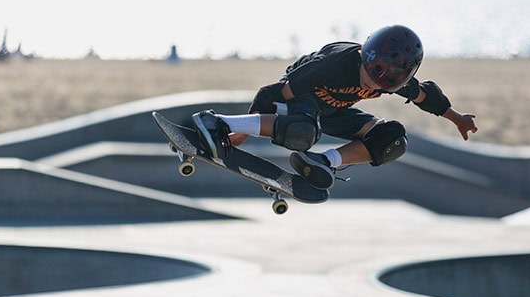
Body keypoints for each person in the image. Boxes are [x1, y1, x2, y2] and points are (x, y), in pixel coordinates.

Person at [192, 25, 478, 190]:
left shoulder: (391, 78)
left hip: (335, 112)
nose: (375, 84)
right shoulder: (330, 66)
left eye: (385, 82)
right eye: (371, 75)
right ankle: (218, 123)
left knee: (391, 140)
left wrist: (457, 118)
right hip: (300, 101)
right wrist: (241, 133)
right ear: (367, 57)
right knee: (303, 130)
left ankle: (323, 162)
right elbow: (272, 92)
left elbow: (426, 97)